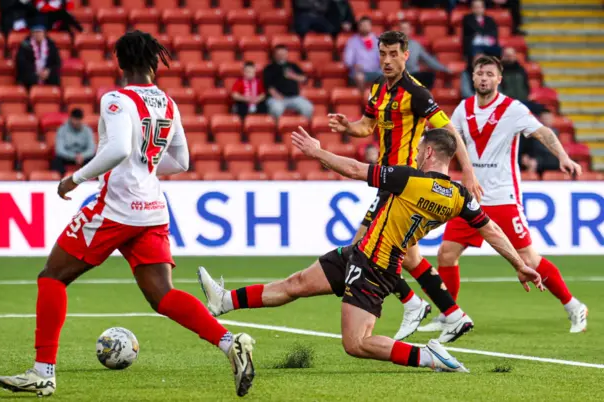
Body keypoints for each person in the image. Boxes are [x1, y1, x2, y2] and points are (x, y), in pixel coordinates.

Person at [0, 31, 256, 398]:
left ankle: (43, 372)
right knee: (162, 294)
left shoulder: (116, 99)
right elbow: (180, 162)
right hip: (152, 208)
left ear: (120, 64)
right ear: (153, 62)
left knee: (52, 276)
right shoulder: (168, 102)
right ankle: (231, 343)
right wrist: (144, 165)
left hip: (117, 207)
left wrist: (75, 178)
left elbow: (117, 149)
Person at [197, 128, 544, 374]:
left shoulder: (410, 179)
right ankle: (224, 301)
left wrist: (317, 152)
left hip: (375, 267)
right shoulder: (459, 197)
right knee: (297, 283)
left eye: (421, 148)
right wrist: (519, 263)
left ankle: (428, 357)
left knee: (357, 343)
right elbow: (492, 230)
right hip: (359, 253)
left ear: (429, 152)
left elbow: (353, 168)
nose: (419, 153)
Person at [327, 30, 483, 343]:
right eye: (383, 54)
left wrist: (468, 171)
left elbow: (449, 132)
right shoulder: (377, 88)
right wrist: (348, 127)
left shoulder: (417, 93)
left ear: (406, 55)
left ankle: (413, 303)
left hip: (406, 183)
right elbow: (367, 126)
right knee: (408, 257)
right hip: (388, 181)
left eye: (394, 54)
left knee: (363, 248)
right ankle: (452, 314)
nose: (387, 60)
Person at [417, 55, 588, 334]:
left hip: (504, 199)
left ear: (499, 79)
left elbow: (543, 132)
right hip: (470, 199)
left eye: (489, 74)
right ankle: (450, 314)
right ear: (472, 78)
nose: (483, 78)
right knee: (446, 253)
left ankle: (573, 306)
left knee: (530, 261)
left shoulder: (513, 109)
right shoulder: (463, 108)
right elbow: (449, 140)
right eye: (479, 73)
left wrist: (563, 157)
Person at [263, 44, 314, 119]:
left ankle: (302, 127)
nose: (281, 56)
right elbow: (268, 86)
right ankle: (277, 128)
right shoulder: (269, 68)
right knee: (276, 109)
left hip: (294, 97)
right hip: (277, 98)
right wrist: (277, 96)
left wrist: (293, 76)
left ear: (287, 54)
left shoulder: (293, 66)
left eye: (283, 54)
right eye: (279, 54)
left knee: (308, 107)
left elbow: (304, 79)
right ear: (274, 55)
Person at [398, 21, 451, 90]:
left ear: (410, 30)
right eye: (403, 29)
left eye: (407, 29)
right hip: (400, 76)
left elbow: (429, 60)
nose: (405, 31)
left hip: (414, 75)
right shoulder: (393, 46)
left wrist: (445, 69)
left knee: (429, 76)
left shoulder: (416, 45)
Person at [15, 20, 61, 89]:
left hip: (46, 73)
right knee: (28, 77)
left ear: (44, 33)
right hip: (31, 72)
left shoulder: (51, 45)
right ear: (32, 33)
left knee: (54, 77)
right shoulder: (25, 45)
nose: (37, 34)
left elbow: (56, 62)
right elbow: (21, 61)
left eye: (40, 32)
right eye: (35, 32)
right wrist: (35, 71)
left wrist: (48, 70)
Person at [51, 108, 95, 176]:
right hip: (67, 156)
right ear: (70, 118)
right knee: (56, 161)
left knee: (95, 160)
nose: (77, 122)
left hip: (83, 156)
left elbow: (91, 149)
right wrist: (74, 156)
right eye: (75, 119)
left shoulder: (87, 130)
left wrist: (82, 156)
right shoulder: (62, 129)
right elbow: (59, 150)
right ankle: (62, 181)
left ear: (82, 119)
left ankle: (90, 181)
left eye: (79, 120)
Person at [343, 16, 381, 92]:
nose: (365, 27)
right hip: (360, 72)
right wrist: (354, 65)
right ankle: (363, 100)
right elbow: (347, 61)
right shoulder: (352, 41)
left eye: (367, 25)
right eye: (363, 25)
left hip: (376, 71)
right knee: (360, 77)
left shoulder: (378, 40)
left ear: (371, 26)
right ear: (359, 27)